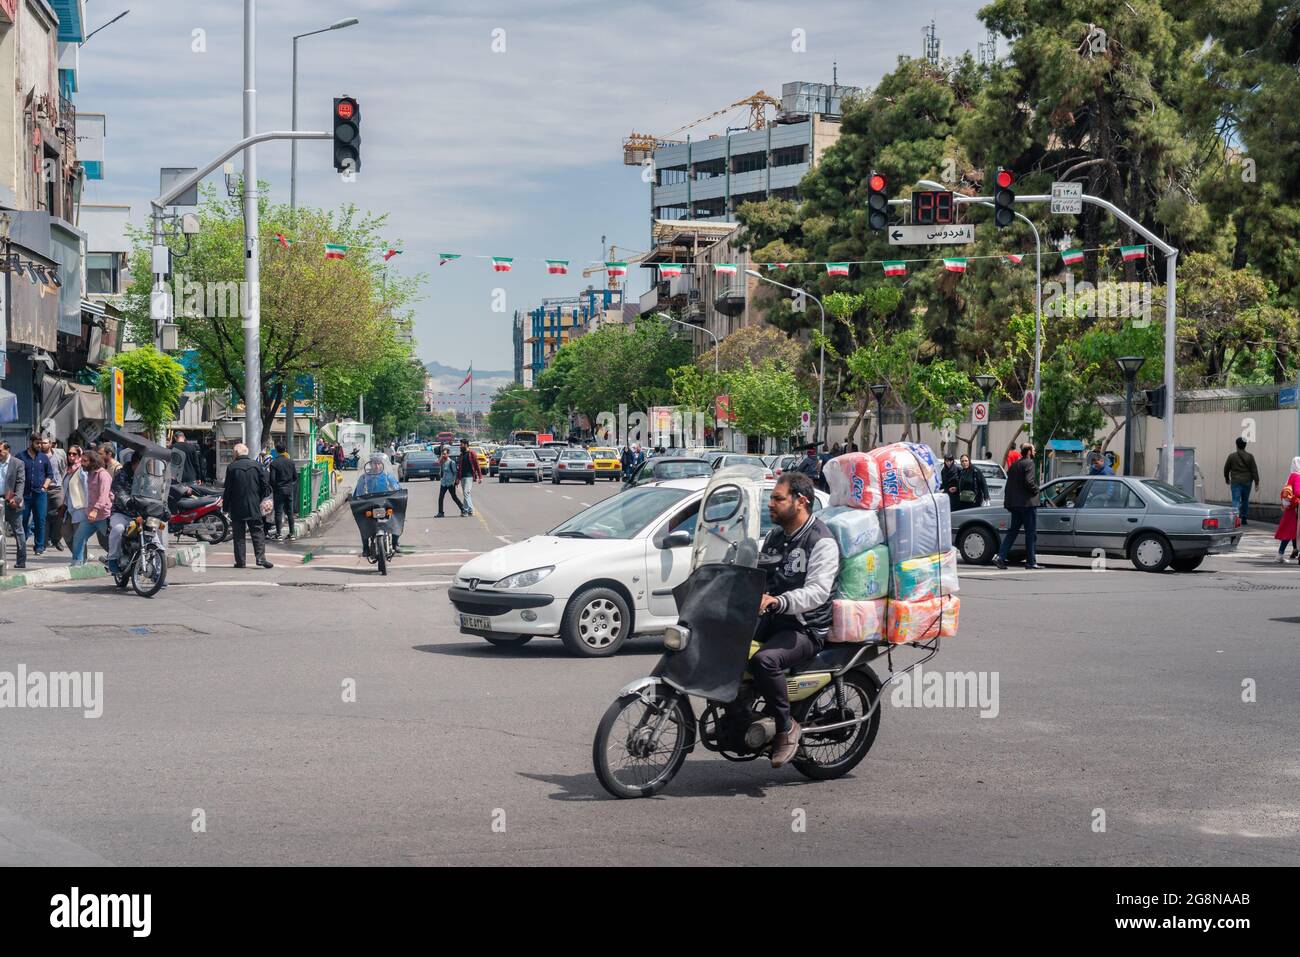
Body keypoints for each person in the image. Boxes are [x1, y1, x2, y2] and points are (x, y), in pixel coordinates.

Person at [753, 471, 840, 768]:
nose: (770, 504)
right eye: (771, 499)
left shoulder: (822, 542)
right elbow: (759, 575)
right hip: (773, 619)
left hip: (805, 627)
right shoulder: (775, 536)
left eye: (778, 498)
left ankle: (785, 726)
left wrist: (778, 601)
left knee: (765, 660)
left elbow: (817, 592)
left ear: (801, 501)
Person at [222, 442, 274, 569]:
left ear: (236, 453)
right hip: (254, 504)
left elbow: (227, 489)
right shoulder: (256, 465)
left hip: (237, 505)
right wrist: (260, 498)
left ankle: (241, 561)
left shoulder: (232, 467)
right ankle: (261, 559)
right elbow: (264, 486)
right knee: (257, 531)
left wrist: (225, 507)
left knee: (238, 534)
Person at [995, 443, 1044, 570]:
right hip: (1028, 504)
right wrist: (1036, 490)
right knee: (1031, 533)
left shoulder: (1015, 465)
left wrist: (1009, 503)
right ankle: (1031, 562)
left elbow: (1009, 486)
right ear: (1028, 452)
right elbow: (1029, 481)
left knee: (1012, 532)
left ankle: (1000, 557)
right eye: (1033, 450)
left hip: (1015, 505)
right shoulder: (1029, 463)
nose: (1035, 452)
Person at [354, 453, 401, 555]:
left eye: (379, 463)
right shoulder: (364, 478)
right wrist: (357, 498)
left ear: (382, 464)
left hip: (385, 503)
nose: (377, 466)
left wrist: (397, 493)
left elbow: (396, 488)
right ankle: (365, 548)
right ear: (370, 465)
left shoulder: (387, 476)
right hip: (370, 504)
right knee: (364, 523)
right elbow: (359, 492)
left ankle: (395, 543)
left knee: (396, 517)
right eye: (374, 463)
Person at [72, 448, 112, 567]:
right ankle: (77, 563)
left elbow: (103, 495)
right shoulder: (89, 473)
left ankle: (117, 562)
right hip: (90, 516)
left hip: (103, 516)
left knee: (111, 542)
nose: (82, 463)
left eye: (85, 461)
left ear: (93, 462)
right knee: (79, 537)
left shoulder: (103, 475)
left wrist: (95, 510)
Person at [18, 432, 54, 556]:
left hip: (40, 494)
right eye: (37, 443)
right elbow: (15, 474)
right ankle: (21, 545)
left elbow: (50, 474)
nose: (40, 445)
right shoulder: (21, 456)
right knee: (22, 520)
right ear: (30, 442)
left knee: (40, 520)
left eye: (40, 443)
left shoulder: (43, 458)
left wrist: (45, 486)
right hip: (24, 495)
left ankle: (39, 546)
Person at [0, 441, 27, 569]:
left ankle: (21, 560)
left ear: (7, 450)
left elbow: (21, 483)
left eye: (0, 451)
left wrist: (16, 498)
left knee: (18, 532)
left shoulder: (17, 463)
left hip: (12, 502)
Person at [1224, 437, 1259, 525]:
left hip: (1236, 481)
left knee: (1236, 500)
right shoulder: (1250, 456)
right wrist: (1256, 482)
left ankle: (1236, 518)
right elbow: (1254, 470)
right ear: (1245, 445)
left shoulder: (1232, 456)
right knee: (1245, 500)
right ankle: (1244, 518)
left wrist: (1227, 478)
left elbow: (1226, 468)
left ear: (1236, 445)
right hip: (1247, 482)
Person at [62, 446, 88, 565]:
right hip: (69, 508)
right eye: (69, 454)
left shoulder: (82, 470)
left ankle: (80, 560)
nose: (71, 456)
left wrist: (89, 507)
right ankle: (78, 557)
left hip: (80, 508)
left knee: (79, 536)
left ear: (79, 455)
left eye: (74, 454)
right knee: (66, 533)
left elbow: (87, 489)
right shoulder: (69, 470)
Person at [268, 442, 298, 541]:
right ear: (285, 450)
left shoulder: (274, 463)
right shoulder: (290, 462)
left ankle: (279, 534)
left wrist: (276, 487)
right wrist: (289, 484)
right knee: (290, 512)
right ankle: (292, 533)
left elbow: (272, 479)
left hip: (279, 490)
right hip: (289, 489)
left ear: (276, 451)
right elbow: (295, 477)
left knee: (278, 512)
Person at [1274, 457, 1300, 563]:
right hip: (1296, 509)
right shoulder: (1298, 476)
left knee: (1290, 532)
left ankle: (1281, 554)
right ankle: (1281, 554)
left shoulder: (1291, 475)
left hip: (1290, 508)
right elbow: (1298, 492)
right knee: (1293, 532)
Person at [456, 438, 482, 516]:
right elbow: (459, 468)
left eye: (461, 445)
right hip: (462, 477)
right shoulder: (461, 455)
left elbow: (477, 465)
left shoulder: (472, 453)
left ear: (466, 444)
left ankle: (471, 509)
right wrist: (458, 478)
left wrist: (480, 477)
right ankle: (466, 511)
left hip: (469, 476)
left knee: (466, 493)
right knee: (466, 494)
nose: (460, 446)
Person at [436, 448, 465, 517]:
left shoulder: (451, 462)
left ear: (448, 454)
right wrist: (441, 457)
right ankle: (440, 512)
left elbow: (455, 473)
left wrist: (454, 481)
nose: (444, 455)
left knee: (454, 497)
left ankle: (463, 509)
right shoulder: (442, 461)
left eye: (445, 454)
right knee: (440, 497)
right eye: (443, 454)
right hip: (444, 482)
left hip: (450, 482)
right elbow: (437, 463)